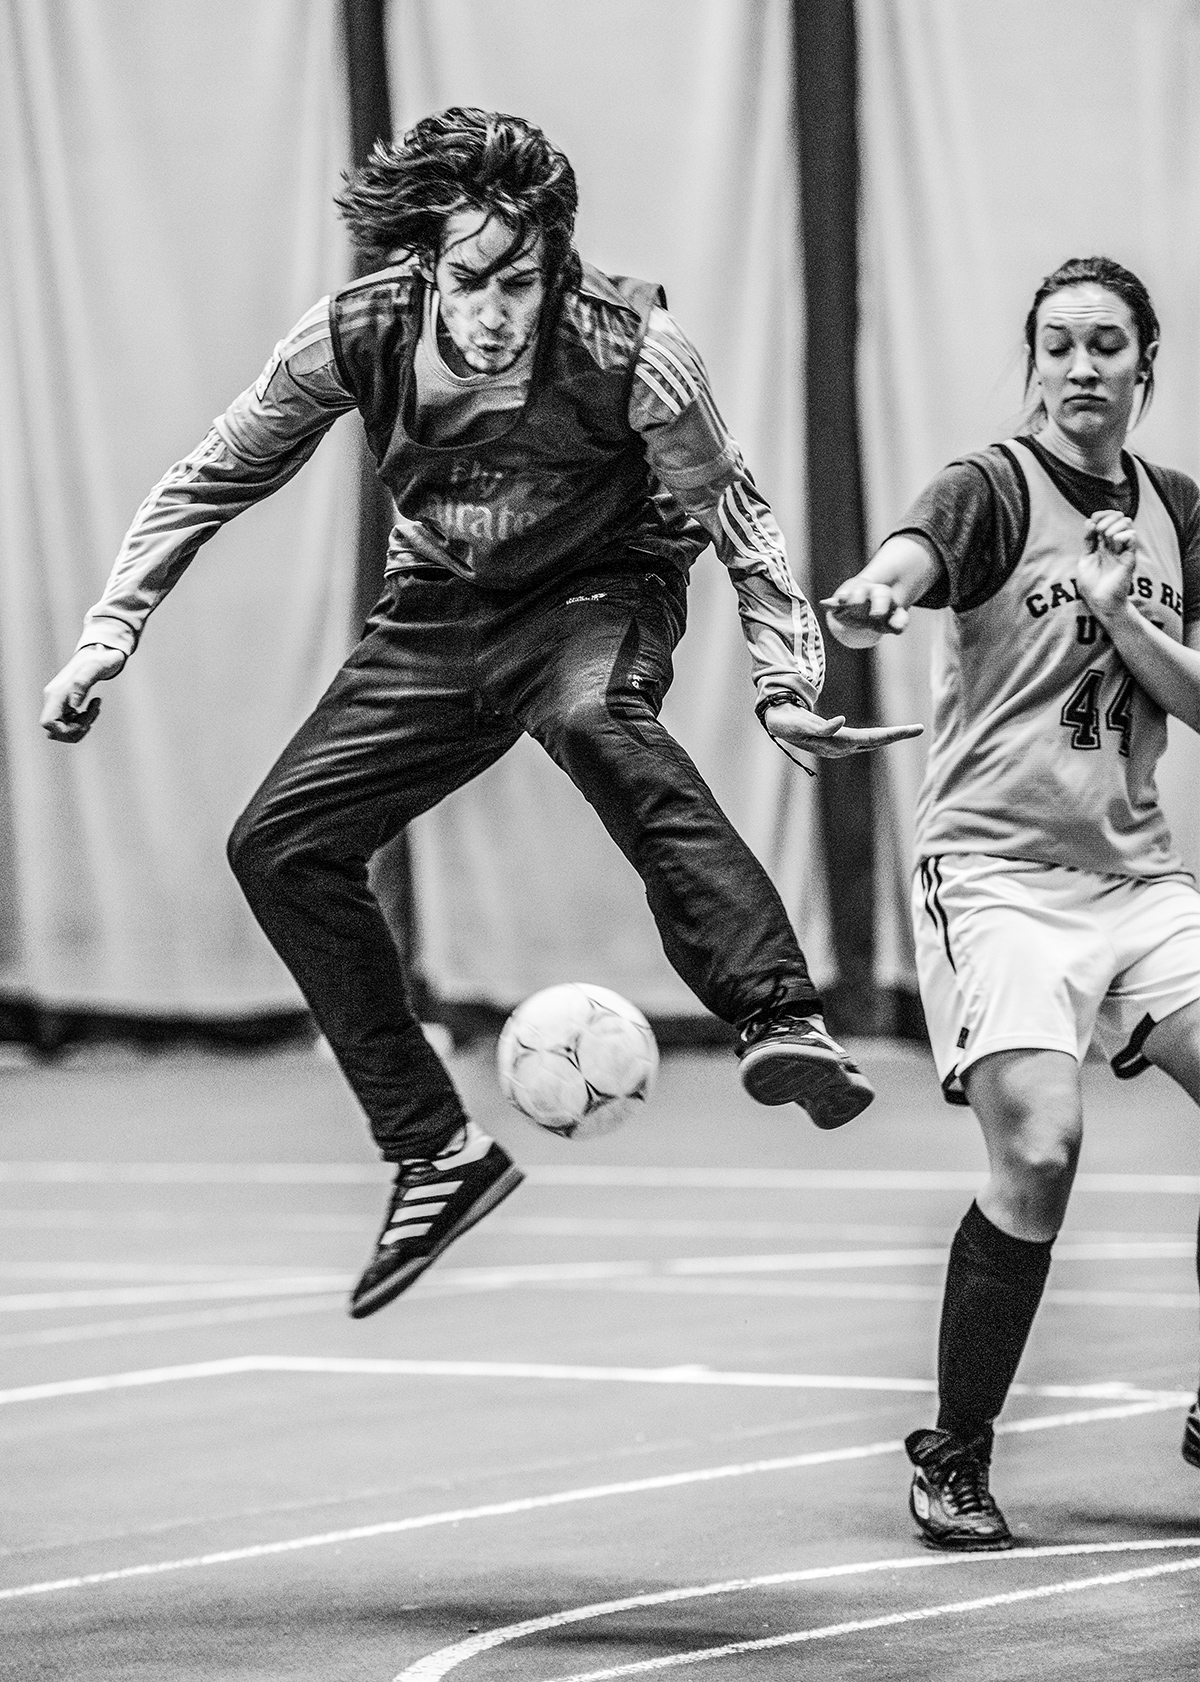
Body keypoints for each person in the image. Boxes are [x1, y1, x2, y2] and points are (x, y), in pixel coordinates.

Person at [42, 108, 918, 1322]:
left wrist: (787, 681)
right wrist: (108, 630)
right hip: (443, 609)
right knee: (279, 843)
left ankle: (781, 1014)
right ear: (423, 266)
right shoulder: (357, 334)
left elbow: (745, 528)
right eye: (472, 279)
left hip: (599, 589)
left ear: (557, 263)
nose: (500, 309)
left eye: (525, 279)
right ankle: (433, 1155)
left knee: (600, 722)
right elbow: (211, 476)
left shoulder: (635, 354)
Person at [824, 255, 1200, 1549]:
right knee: (1039, 1144)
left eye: (1106, 343)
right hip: (995, 878)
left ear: (1146, 365)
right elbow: (919, 548)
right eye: (1057, 344)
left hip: (1138, 879)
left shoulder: (1176, 513)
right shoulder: (995, 487)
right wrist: (883, 588)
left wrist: (1122, 617)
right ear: (1032, 363)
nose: (1080, 365)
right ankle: (956, 1452)